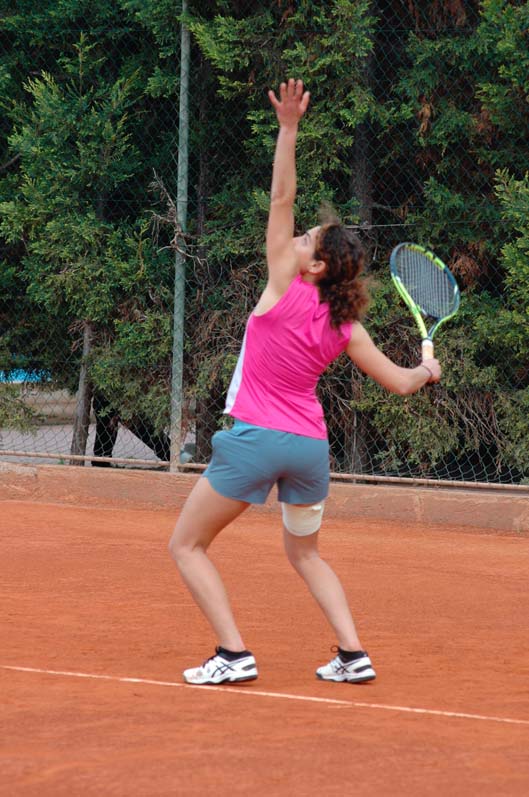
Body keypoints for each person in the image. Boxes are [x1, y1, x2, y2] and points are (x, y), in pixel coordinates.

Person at [168, 79, 441, 686]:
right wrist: (428, 369)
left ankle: (233, 654)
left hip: (256, 439)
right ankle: (352, 654)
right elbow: (401, 383)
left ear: (314, 266)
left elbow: (281, 198)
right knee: (306, 553)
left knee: (186, 546)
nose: (294, 239)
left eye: (305, 240)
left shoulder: (281, 284)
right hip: (310, 449)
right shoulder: (347, 326)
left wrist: (288, 129)